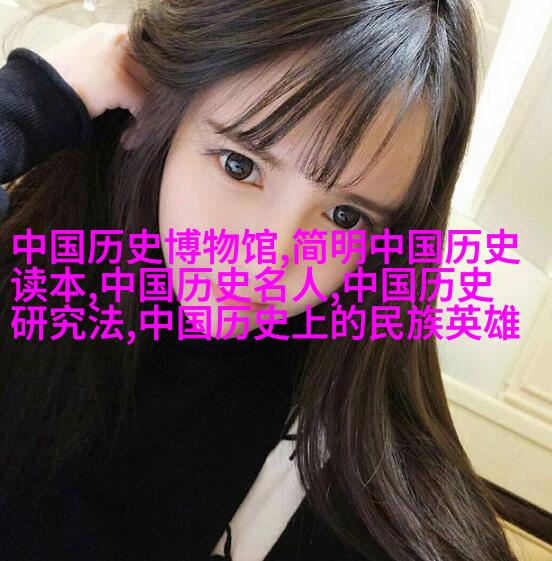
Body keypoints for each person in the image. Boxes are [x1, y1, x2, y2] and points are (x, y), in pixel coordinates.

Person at [0, 2, 519, 560]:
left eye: (345, 217)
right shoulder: (37, 277)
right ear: (154, 117)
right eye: (239, 166)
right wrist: (33, 99)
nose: (265, 267)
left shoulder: (343, 467)